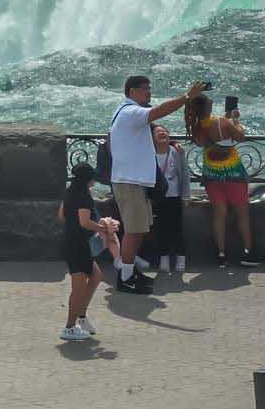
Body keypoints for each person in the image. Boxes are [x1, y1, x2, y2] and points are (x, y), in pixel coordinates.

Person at [108, 76, 203, 292]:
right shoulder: (130, 111)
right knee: (134, 231)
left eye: (149, 88)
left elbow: (152, 132)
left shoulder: (126, 113)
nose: (149, 92)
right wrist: (187, 97)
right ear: (131, 91)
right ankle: (125, 279)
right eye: (144, 89)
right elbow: (159, 111)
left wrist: (171, 142)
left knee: (139, 230)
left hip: (134, 182)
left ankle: (130, 272)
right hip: (129, 182)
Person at [185, 89, 257, 266]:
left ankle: (221, 255)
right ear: (207, 105)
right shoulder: (221, 121)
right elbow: (240, 136)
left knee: (219, 214)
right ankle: (248, 254)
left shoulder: (196, 126)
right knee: (242, 215)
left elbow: (213, 136)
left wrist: (227, 119)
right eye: (209, 101)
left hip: (211, 174)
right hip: (233, 173)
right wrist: (236, 120)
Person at [59, 162, 120, 341]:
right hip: (77, 245)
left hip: (71, 242)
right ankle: (69, 327)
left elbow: (61, 216)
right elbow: (84, 222)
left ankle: (82, 316)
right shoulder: (84, 196)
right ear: (88, 179)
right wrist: (104, 228)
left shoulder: (69, 192)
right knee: (78, 287)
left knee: (96, 275)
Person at [151, 124, 190, 274]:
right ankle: (164, 258)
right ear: (152, 138)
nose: (162, 133)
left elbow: (185, 175)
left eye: (164, 132)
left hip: (175, 197)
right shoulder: (149, 154)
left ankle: (181, 258)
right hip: (158, 198)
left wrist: (186, 196)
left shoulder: (177, 152)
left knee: (177, 229)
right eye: (158, 132)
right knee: (161, 229)